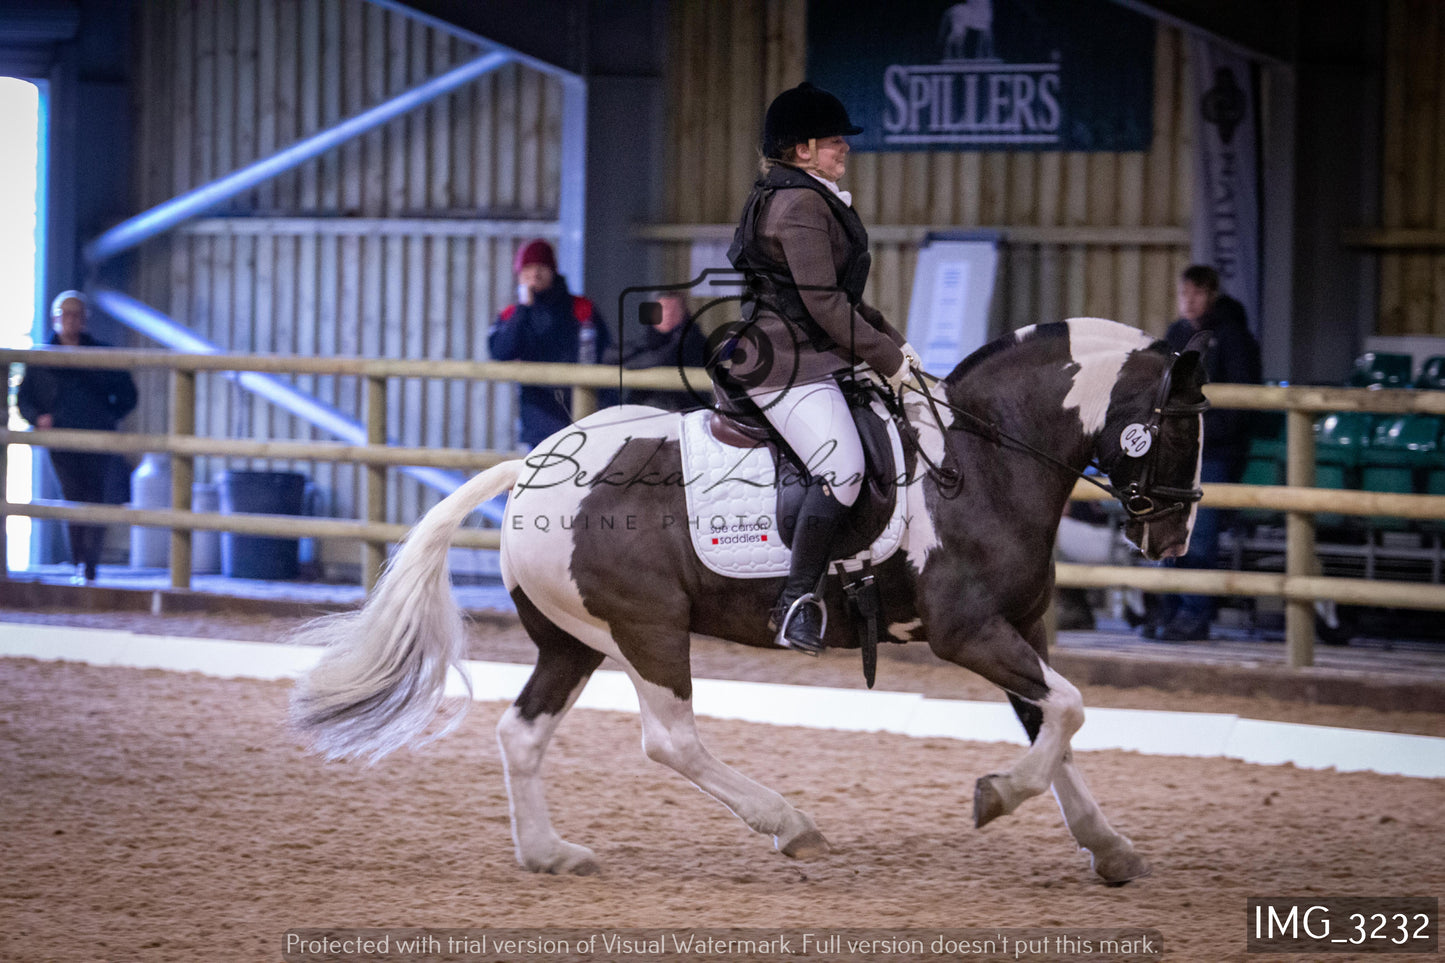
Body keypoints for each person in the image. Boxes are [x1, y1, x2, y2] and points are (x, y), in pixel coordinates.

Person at [721, 81, 921, 655]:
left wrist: (899, 350)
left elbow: (843, 300)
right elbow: (825, 305)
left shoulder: (803, 194)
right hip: (786, 363)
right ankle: (796, 601)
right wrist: (886, 359)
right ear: (803, 149)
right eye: (835, 142)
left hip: (817, 354)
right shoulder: (800, 203)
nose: (845, 149)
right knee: (844, 468)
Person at [1143, 264, 1262, 641]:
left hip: (1214, 451)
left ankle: (1195, 613)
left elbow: (1242, 401)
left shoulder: (1234, 338)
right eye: (1184, 294)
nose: (1188, 301)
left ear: (1211, 295)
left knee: (1201, 532)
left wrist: (1200, 432)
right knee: (1170, 528)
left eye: (1195, 294)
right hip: (1178, 449)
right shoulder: (1177, 334)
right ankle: (1171, 609)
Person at [16, 291, 138, 583]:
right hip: (61, 440)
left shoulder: (102, 355)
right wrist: (38, 417)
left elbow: (128, 395)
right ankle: (78, 563)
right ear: (55, 319)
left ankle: (90, 566)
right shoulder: (40, 358)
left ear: (84, 320)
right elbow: (25, 400)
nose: (70, 321)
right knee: (72, 498)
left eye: (76, 315)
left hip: (98, 438)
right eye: (65, 315)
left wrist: (109, 416)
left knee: (96, 498)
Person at [488, 239, 610, 449]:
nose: (534, 274)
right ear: (519, 275)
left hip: (583, 416)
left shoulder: (582, 308)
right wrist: (523, 310)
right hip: (538, 419)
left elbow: (603, 353)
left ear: (552, 270)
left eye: (540, 267)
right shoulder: (512, 315)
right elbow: (501, 351)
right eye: (527, 269)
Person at [603, 294, 709, 410]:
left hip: (683, 410)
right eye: (663, 310)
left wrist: (628, 365)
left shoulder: (694, 340)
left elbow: (661, 360)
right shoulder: (649, 340)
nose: (668, 314)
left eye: (674, 310)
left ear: (684, 314)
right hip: (642, 409)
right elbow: (610, 357)